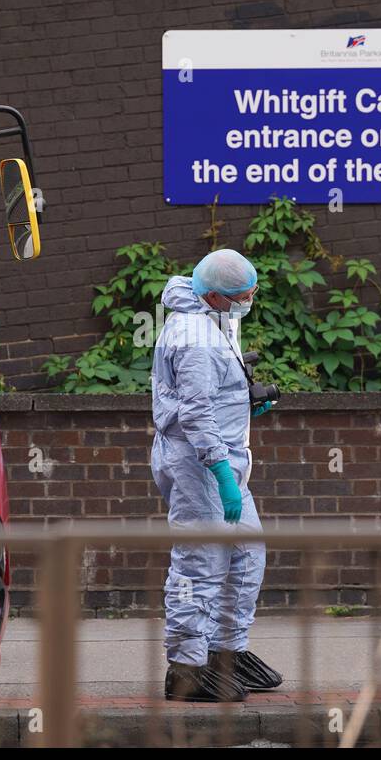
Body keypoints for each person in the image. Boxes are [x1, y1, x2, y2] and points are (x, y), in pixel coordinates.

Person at [151, 248, 283, 702]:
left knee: (246, 554)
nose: (251, 298)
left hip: (224, 459)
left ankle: (226, 650)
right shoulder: (194, 337)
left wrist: (246, 400)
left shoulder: (211, 316)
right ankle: (186, 665)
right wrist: (222, 471)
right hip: (201, 464)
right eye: (244, 294)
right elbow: (195, 413)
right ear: (218, 296)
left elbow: (213, 393)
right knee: (200, 562)